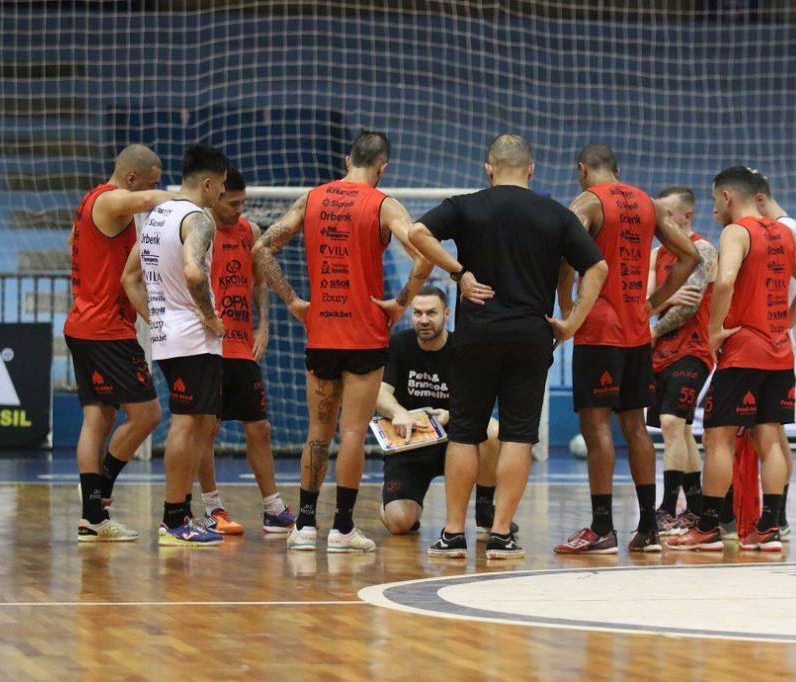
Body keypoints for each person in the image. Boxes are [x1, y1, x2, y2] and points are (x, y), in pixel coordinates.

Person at [409, 133, 608, 560]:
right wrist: (571, 322)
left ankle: (453, 534)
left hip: (478, 336)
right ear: (531, 171)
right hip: (530, 338)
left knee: (465, 433)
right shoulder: (556, 213)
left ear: (489, 167)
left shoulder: (466, 205)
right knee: (519, 436)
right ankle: (500, 535)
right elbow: (598, 266)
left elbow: (417, 231)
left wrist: (458, 273)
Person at [252, 131, 433, 554]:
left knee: (319, 431)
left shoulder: (311, 199)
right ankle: (343, 528)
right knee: (353, 433)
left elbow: (261, 248)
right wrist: (401, 302)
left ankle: (304, 525)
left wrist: (295, 302)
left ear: (348, 157)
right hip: (365, 333)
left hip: (322, 332)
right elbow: (424, 254)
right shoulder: (386, 205)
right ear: (383, 166)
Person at [553, 145, 700, 555]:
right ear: (618, 171)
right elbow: (688, 256)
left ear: (583, 169)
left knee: (597, 426)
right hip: (636, 329)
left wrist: (567, 310)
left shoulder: (586, 202)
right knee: (636, 427)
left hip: (599, 330)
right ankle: (649, 527)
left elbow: (566, 258)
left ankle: (602, 528)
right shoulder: (648, 203)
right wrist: (653, 303)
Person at [668, 166, 796, 552]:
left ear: (728, 197)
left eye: (716, 198)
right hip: (778, 351)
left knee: (718, 439)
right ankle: (769, 528)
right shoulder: (783, 231)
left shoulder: (736, 232)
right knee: (769, 438)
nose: (714, 207)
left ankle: (707, 528)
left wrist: (715, 329)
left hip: (743, 351)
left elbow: (725, 280)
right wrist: (785, 323)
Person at [122, 143, 229, 547]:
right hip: (193, 339)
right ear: (207, 183)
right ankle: (173, 520)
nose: (221, 194)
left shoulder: (155, 216)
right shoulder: (198, 219)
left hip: (172, 336)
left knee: (201, 424)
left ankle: (181, 513)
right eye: (220, 187)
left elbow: (129, 278)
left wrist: (158, 320)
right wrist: (206, 316)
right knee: (188, 426)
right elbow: (194, 273)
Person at [66, 144, 167, 542]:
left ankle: (93, 513)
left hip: (87, 326)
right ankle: (100, 489)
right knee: (148, 415)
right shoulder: (109, 201)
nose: (154, 190)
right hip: (105, 332)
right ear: (130, 179)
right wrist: (189, 202)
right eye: (152, 182)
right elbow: (149, 199)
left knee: (100, 418)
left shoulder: (95, 207)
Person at [194, 166, 296, 535]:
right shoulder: (197, 228)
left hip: (240, 343)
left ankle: (273, 508)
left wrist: (263, 325)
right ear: (215, 196)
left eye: (242, 203)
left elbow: (259, 283)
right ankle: (212, 507)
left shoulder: (249, 231)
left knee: (260, 428)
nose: (239, 210)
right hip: (207, 345)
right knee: (207, 428)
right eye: (232, 203)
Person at [376, 285, 509, 537]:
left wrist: (452, 415)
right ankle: (392, 500)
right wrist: (398, 412)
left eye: (431, 313)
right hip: (411, 444)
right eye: (417, 313)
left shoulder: (462, 347)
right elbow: (380, 394)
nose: (424, 320)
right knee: (399, 523)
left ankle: (484, 508)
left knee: (493, 432)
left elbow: (481, 398)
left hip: (455, 441)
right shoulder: (399, 344)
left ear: (446, 314)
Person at [644, 186, 717, 537]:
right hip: (660, 354)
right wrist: (665, 298)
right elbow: (645, 302)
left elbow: (689, 306)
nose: (661, 221)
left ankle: (668, 508)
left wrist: (655, 328)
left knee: (672, 422)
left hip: (694, 349)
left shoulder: (702, 248)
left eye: (667, 214)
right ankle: (696, 507)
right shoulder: (657, 254)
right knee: (680, 428)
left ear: (686, 215)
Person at [754, 170, 796, 542]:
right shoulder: (788, 227)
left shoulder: (783, 229)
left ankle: (776, 516)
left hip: (772, 344)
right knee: (774, 433)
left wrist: (783, 325)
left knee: (769, 432)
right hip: (780, 341)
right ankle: (779, 517)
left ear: (758, 199)